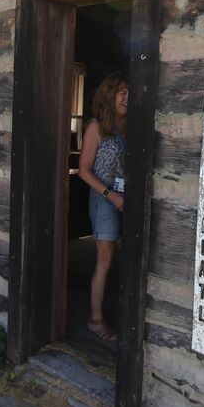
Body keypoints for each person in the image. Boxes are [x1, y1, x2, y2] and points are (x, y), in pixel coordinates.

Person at [77, 72, 128, 342]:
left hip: (125, 196)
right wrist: (112, 196)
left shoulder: (128, 125)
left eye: (130, 94)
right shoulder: (97, 126)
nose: (127, 99)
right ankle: (95, 319)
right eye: (122, 93)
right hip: (104, 197)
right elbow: (84, 171)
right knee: (105, 258)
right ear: (110, 95)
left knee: (126, 258)